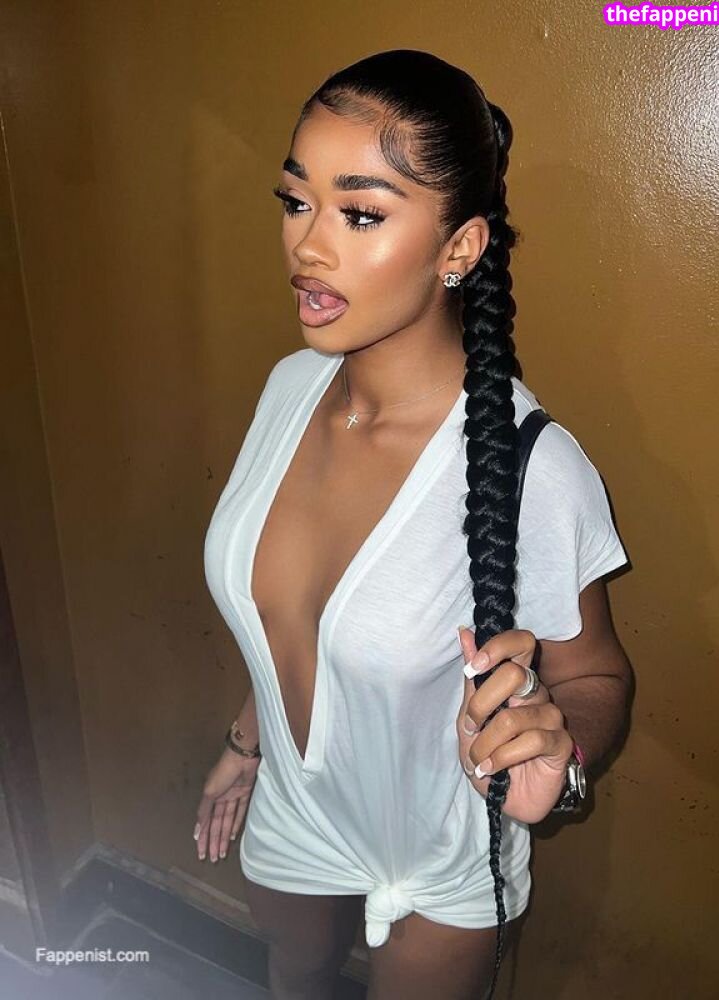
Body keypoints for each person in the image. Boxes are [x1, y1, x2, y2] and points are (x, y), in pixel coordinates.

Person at [194, 49, 633, 1000]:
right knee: (295, 977)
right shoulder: (288, 387)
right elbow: (288, 616)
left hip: (439, 845)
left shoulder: (532, 468)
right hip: (295, 807)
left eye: (360, 214)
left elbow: (597, 674)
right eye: (295, 200)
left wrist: (561, 755)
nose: (309, 246)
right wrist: (246, 742)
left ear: (460, 248)